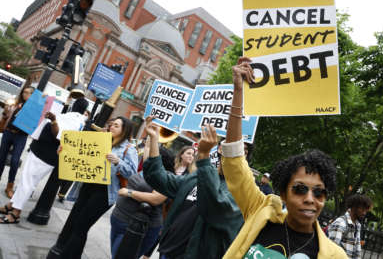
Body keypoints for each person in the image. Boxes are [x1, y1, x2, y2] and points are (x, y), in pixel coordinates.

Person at [220, 57, 347, 259]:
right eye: (299, 189)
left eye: (319, 193)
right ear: (283, 194)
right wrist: (238, 93)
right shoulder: (260, 211)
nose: (309, 199)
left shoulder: (335, 255)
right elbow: (234, 159)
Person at [143, 117, 243, 259]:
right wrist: (153, 138)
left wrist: (203, 156)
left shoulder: (241, 192)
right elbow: (158, 177)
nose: (233, 150)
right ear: (220, 148)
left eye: (240, 149)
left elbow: (215, 206)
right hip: (167, 251)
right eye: (228, 144)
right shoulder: (198, 176)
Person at [47, 116, 137, 259]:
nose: (112, 126)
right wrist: (64, 151)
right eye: (112, 124)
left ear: (124, 130)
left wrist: (118, 161)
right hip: (87, 186)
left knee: (82, 226)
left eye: (117, 125)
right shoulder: (99, 140)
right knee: (75, 222)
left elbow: (132, 174)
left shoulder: (128, 149)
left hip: (105, 193)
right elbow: (79, 154)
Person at [0, 97, 89, 224]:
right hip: (42, 152)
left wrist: (53, 120)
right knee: (26, 181)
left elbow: (59, 135)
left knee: (27, 183)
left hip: (44, 155)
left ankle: (16, 213)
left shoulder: (74, 119)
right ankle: (12, 204)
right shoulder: (76, 120)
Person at [110, 146, 174, 258]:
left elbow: (156, 199)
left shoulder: (167, 176)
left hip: (138, 226)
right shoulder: (148, 168)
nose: (147, 155)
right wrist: (152, 133)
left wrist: (128, 193)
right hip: (119, 219)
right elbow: (149, 146)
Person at [0, 86, 34, 198]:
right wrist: (6, 112)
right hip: (8, 133)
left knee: (15, 161)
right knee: (1, 158)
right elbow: (6, 117)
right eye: (24, 92)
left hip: (20, 137)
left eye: (28, 93)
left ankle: (10, 186)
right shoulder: (17, 104)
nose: (25, 94)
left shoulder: (34, 109)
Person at [328, 194, 372, 259]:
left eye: (366, 210)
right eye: (362, 209)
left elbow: (357, 252)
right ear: (354, 207)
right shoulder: (341, 223)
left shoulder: (357, 225)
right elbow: (331, 251)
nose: (364, 213)